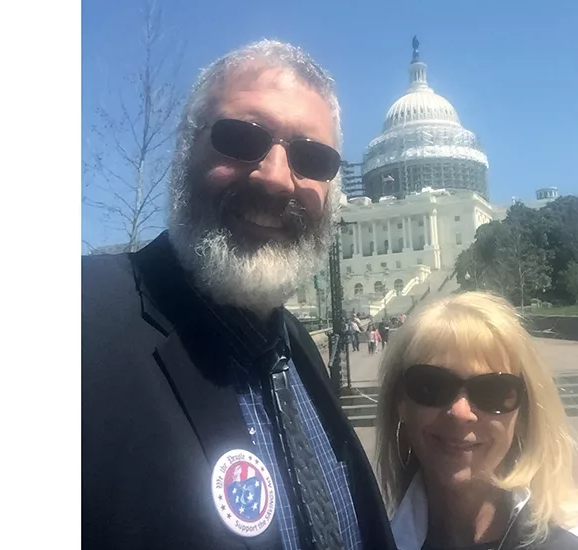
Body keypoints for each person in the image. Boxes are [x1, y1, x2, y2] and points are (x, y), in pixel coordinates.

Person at [83, 40, 395, 550]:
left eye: (311, 157)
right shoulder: (80, 324)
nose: (275, 179)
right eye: (242, 138)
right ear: (185, 149)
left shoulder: (297, 349)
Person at [375, 292, 578, 550]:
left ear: (524, 416)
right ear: (400, 404)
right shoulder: (371, 540)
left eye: (493, 390)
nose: (460, 412)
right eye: (431, 385)